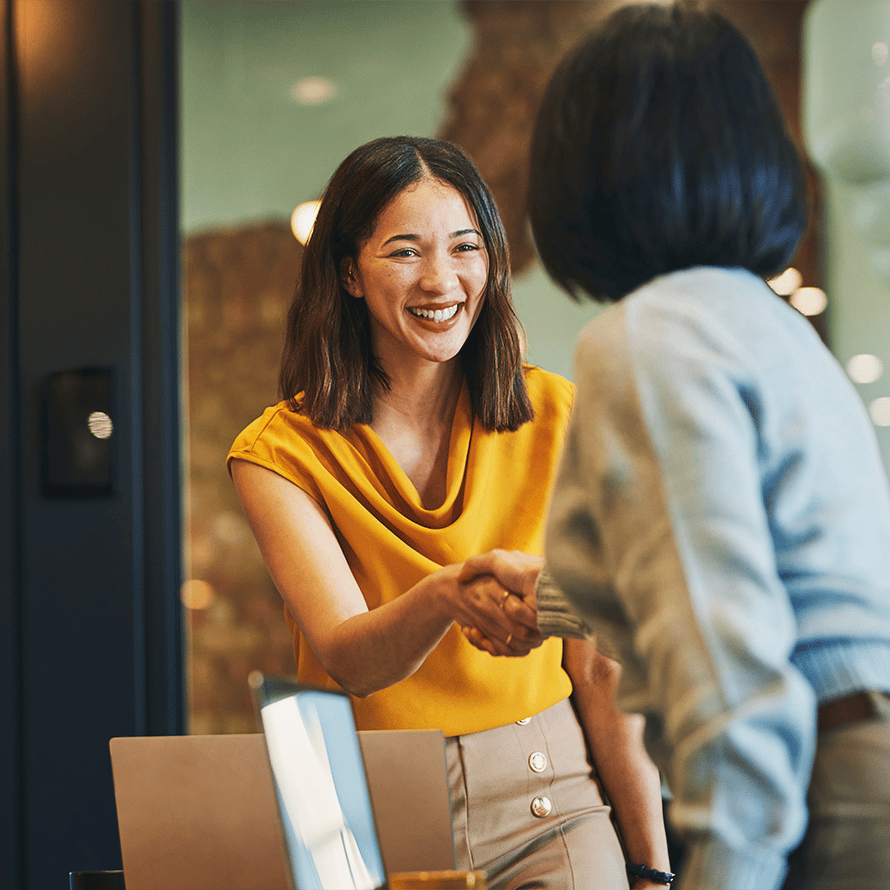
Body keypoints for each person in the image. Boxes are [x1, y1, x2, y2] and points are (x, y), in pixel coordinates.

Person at [463, 4, 890, 890]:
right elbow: (767, 574)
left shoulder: (649, 341)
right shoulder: (765, 325)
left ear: (586, 168)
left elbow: (729, 674)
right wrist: (549, 602)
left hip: (827, 787)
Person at [227, 135, 671, 890]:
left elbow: (600, 671)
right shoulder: (278, 454)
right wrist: (444, 594)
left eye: (465, 247)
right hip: (362, 821)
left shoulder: (561, 416)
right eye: (404, 252)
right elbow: (350, 659)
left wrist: (653, 870)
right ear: (349, 274)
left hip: (551, 801)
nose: (441, 280)